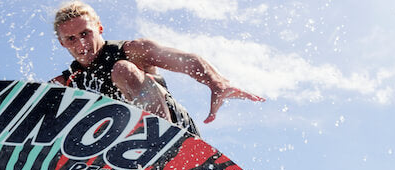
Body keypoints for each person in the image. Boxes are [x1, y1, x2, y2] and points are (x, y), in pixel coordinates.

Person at [50, 2, 264, 136]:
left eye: (85, 33)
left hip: (177, 129)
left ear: (99, 28)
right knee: (56, 99)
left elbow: (184, 59)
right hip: (124, 145)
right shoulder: (69, 81)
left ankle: (164, 139)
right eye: (71, 39)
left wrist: (217, 84)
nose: (81, 44)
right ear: (62, 43)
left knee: (122, 69)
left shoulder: (132, 50)